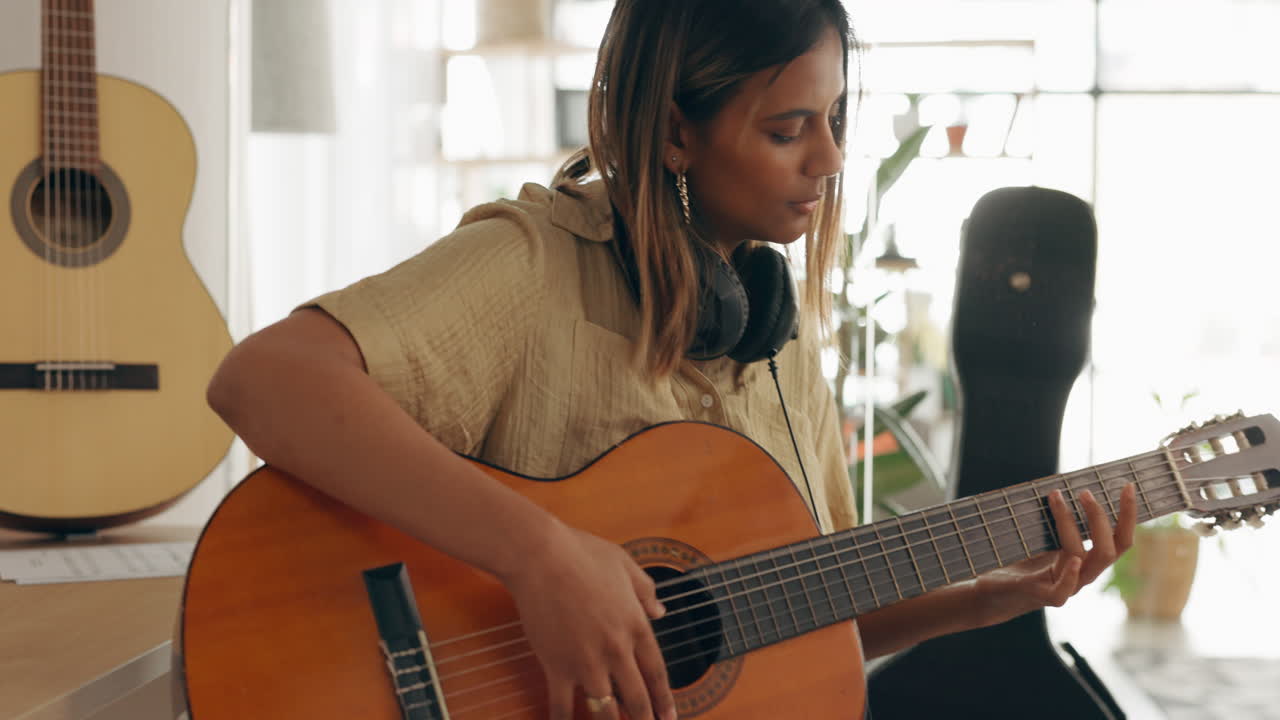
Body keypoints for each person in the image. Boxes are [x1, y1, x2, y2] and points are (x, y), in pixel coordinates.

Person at [206, 2, 1137, 719]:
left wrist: (974, 602)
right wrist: (542, 557)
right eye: (788, 129)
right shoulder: (533, 266)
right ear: (672, 132)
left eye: (837, 117)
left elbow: (791, 613)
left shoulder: (774, 336)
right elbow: (263, 378)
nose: (832, 158)